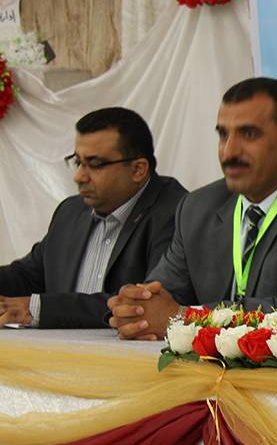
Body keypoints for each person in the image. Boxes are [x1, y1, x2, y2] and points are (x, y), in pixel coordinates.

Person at [106, 77, 277, 339]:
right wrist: (137, 308)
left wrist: (187, 318)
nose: (229, 151)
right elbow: (160, 297)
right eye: (223, 135)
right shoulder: (197, 207)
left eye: (248, 134)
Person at [0, 108, 186, 328]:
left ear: (138, 169)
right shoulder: (70, 211)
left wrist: (37, 308)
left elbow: (145, 304)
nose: (79, 176)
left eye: (95, 164)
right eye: (78, 162)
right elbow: (27, 275)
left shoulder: (177, 213)